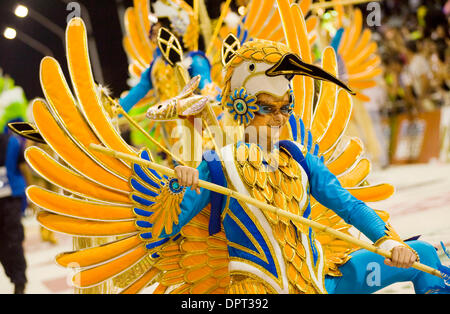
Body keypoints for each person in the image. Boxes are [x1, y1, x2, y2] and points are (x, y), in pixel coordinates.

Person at [158, 39, 448, 294]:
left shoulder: (298, 157)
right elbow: (166, 227)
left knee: (422, 256)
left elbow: (350, 206)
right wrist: (179, 185)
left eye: (284, 108)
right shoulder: (217, 164)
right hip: (256, 292)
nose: (278, 118)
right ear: (241, 106)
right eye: (267, 108)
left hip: (321, 282)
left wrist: (389, 242)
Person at [0, 121, 28, 294]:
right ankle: (15, 276)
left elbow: (23, 166)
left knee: (14, 239)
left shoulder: (10, 142)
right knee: (3, 244)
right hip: (9, 197)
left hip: (11, 198)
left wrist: (30, 194)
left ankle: (19, 280)